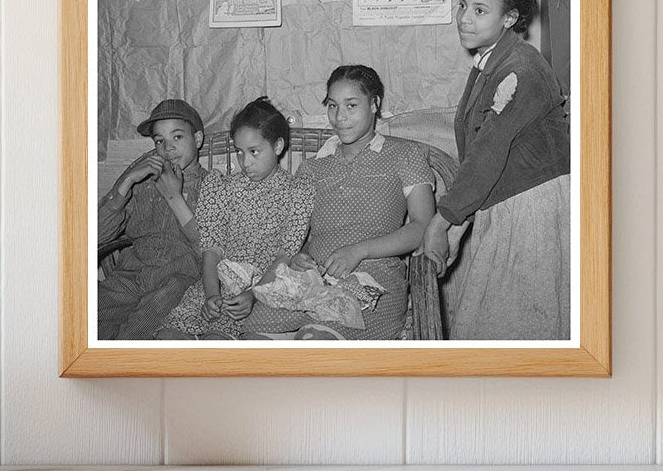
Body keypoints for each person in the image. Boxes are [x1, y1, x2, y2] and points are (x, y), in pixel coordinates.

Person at [422, 0, 571, 340]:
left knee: (511, 328)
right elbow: (481, 154)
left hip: (532, 211)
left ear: (510, 17)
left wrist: (442, 222)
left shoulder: (519, 69)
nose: (464, 19)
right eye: (462, 5)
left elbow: (488, 153)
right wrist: (459, 226)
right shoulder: (492, 61)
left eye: (479, 11)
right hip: (507, 204)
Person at [243, 65, 435, 340]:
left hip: (371, 280)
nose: (339, 117)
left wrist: (360, 251)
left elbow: (422, 226)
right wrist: (300, 256)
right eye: (333, 106)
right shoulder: (312, 168)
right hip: (312, 281)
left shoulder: (404, 154)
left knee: (314, 342)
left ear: (374, 104)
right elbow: (300, 234)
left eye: (351, 105)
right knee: (251, 342)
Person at [158, 98, 314, 340]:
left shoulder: (297, 192)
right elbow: (211, 250)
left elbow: (286, 255)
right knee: (169, 339)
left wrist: (254, 294)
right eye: (239, 152)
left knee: (216, 344)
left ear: (278, 146)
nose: (245, 162)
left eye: (254, 152)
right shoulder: (221, 188)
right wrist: (211, 294)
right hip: (215, 285)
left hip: (262, 287)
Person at [97, 98, 215, 340]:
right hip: (130, 277)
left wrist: (175, 196)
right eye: (160, 141)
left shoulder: (214, 187)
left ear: (198, 140)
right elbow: (95, 236)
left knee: (139, 330)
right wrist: (128, 180)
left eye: (178, 137)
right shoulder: (142, 183)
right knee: (83, 314)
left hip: (178, 281)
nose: (167, 148)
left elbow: (212, 251)